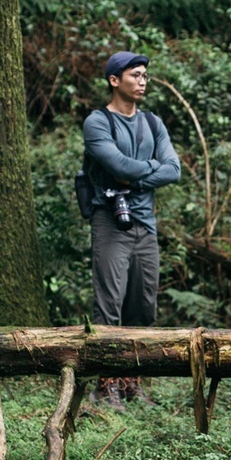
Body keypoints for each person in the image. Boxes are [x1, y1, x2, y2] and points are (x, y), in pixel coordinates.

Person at [82, 50, 181, 329]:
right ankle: (108, 370)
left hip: (145, 224)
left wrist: (133, 179)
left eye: (145, 76)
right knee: (109, 304)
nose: (143, 82)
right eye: (135, 75)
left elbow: (173, 170)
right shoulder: (98, 122)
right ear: (114, 80)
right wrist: (151, 168)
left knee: (144, 305)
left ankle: (136, 371)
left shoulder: (152, 123)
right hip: (110, 220)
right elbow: (119, 166)